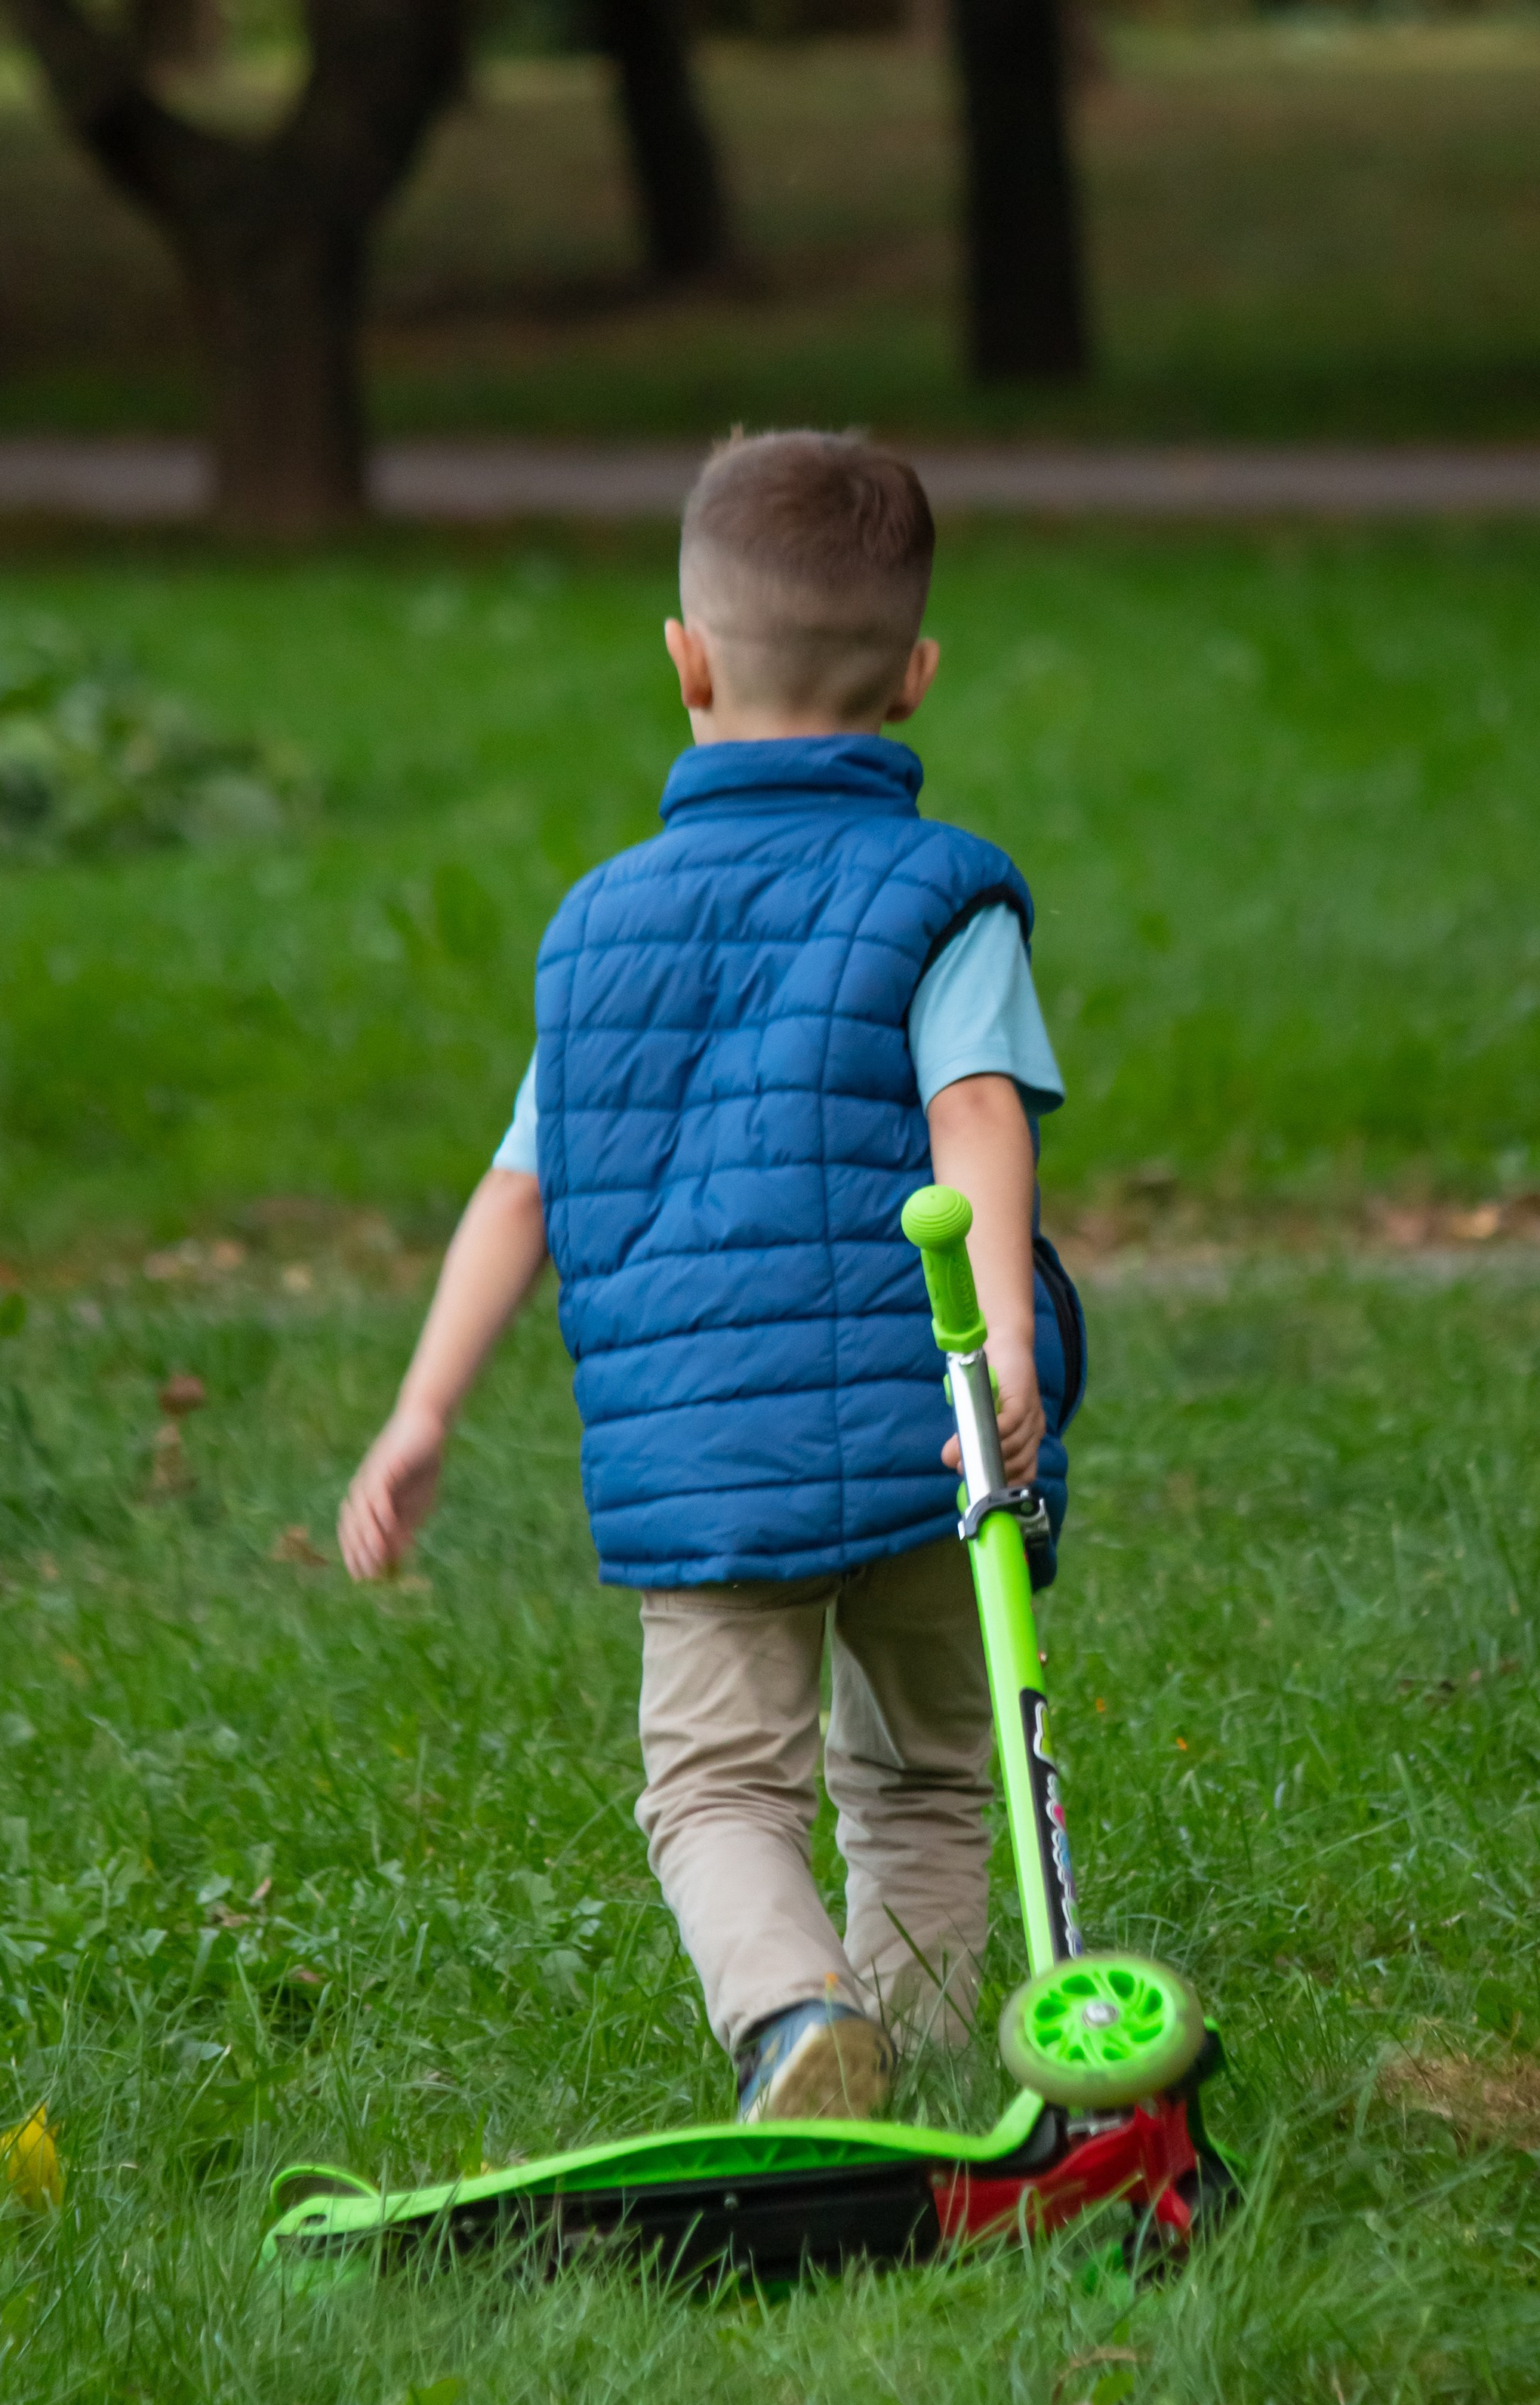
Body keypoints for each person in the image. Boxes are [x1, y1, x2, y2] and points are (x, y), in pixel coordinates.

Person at [337, 431, 1084, 2124]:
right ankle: (916, 2063)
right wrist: (1007, 1345)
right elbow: (973, 1115)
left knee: (715, 1790)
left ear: (681, 659)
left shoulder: (596, 928)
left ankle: (798, 2018)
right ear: (912, 676)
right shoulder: (937, 897)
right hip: (925, 1429)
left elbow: (520, 1185)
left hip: (702, 1459)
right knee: (925, 1774)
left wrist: (422, 1409)